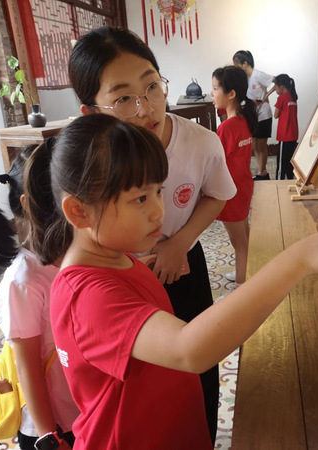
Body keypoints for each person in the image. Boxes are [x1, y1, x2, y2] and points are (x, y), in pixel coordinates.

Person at [23, 113, 318, 449]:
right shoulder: (87, 297)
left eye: (158, 192)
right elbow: (190, 349)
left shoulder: (115, 259)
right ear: (79, 212)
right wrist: (301, 258)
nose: (158, 211)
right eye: (139, 199)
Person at [68, 26, 235, 443]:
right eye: (123, 98)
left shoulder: (201, 143)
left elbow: (218, 194)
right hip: (121, 278)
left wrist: (180, 242)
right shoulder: (86, 160)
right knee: (141, 383)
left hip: (181, 265)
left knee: (200, 376)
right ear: (91, 111)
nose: (145, 108)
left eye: (152, 87)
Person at [0, 143, 78, 450]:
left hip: (81, 411)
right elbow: (28, 369)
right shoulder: (24, 281)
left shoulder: (72, 254)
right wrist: (50, 436)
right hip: (52, 426)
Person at [210, 66, 258, 287]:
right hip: (242, 188)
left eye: (215, 88)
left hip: (231, 192)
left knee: (239, 242)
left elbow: (215, 164)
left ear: (231, 94)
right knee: (243, 237)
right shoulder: (242, 120)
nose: (212, 94)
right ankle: (243, 271)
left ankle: (241, 287)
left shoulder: (227, 128)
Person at [233, 50, 275, 180]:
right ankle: (261, 171)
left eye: (237, 65)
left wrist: (266, 96)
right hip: (252, 115)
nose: (236, 68)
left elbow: (277, 80)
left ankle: (262, 172)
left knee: (262, 145)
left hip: (264, 114)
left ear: (245, 64)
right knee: (254, 145)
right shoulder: (244, 79)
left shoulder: (258, 75)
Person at [273, 74, 299, 180]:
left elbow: (276, 115)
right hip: (293, 134)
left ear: (281, 86)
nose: (275, 89)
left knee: (281, 163)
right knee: (289, 162)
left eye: (275, 86)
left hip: (284, 135)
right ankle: (290, 180)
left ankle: (279, 183)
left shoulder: (282, 98)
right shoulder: (293, 97)